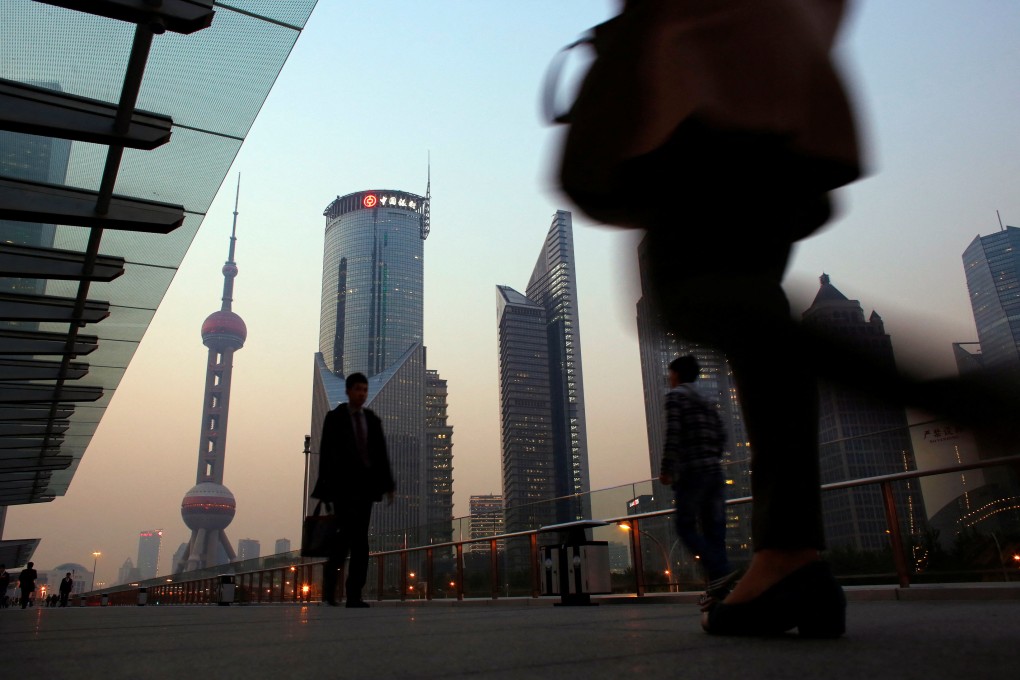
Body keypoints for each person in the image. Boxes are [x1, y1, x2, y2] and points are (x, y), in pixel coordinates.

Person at [658, 356, 738, 607]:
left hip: (691, 473)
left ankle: (720, 571)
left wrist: (667, 469)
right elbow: (723, 435)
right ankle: (720, 594)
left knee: (685, 526)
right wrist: (711, 458)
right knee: (715, 532)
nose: (669, 378)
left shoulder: (676, 397)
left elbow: (674, 434)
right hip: (714, 472)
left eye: (670, 374)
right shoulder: (707, 401)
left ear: (677, 374)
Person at [311, 372, 395, 608]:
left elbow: (381, 456)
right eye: (358, 389)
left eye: (365, 390)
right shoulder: (334, 418)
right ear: (348, 391)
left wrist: (388, 485)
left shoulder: (372, 420)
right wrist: (326, 488)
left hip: (365, 490)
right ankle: (330, 588)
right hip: (341, 489)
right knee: (346, 539)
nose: (362, 394)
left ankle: (353, 594)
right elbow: (326, 453)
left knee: (360, 542)